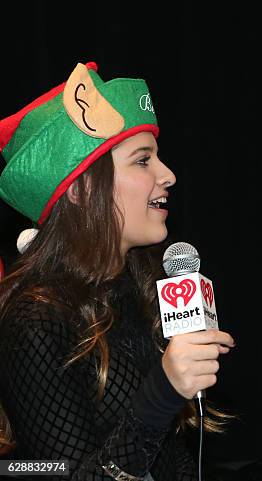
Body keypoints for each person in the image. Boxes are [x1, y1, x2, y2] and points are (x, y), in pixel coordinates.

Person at [0, 62, 235, 480]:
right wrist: (161, 395)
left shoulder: (141, 288)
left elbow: (171, 458)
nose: (168, 175)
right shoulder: (33, 319)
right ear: (82, 188)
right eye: (143, 161)